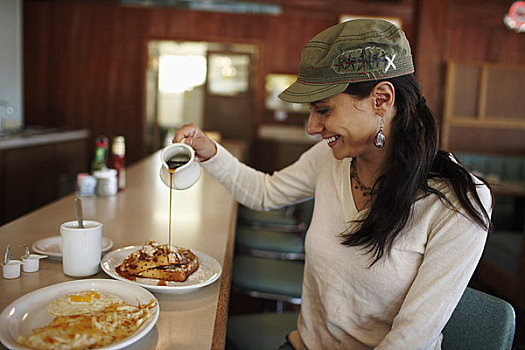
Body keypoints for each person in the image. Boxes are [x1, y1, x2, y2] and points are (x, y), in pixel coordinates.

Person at [174, 19, 493, 350]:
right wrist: (209, 151)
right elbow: (265, 193)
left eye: (323, 110)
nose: (312, 127)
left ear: (381, 100)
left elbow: (411, 339)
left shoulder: (456, 202)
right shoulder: (331, 159)